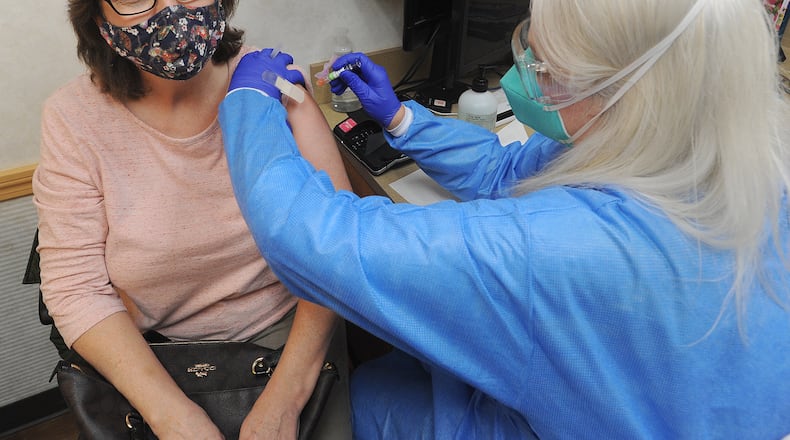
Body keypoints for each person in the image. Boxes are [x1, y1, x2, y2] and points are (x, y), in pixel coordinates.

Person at [218, 0, 790, 437]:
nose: (523, 74)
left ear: (617, 86)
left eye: (540, 63)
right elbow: (506, 172)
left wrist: (248, 105)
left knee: (371, 394)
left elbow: (320, 243)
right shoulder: (715, 139)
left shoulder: (564, 249)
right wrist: (400, 120)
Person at [33, 0, 353, 438]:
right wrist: (173, 417)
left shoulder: (268, 82)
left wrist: (286, 397)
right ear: (95, 17)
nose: (171, 12)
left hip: (288, 337)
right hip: (154, 351)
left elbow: (338, 247)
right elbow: (74, 287)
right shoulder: (73, 119)